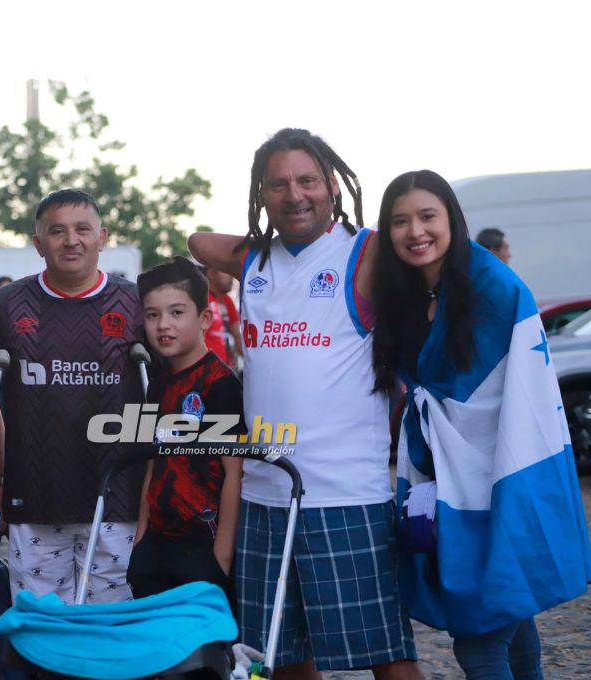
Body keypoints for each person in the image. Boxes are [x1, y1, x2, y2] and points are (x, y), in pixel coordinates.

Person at [188, 128, 420, 679]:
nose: (295, 195)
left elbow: (438, 253)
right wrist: (252, 248)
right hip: (264, 495)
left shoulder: (364, 253)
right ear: (260, 194)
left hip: (344, 497)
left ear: (334, 185)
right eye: (278, 184)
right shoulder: (256, 261)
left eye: (308, 180)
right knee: (280, 661)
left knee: (388, 660)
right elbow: (200, 242)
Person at [372, 170, 591, 679]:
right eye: (399, 221)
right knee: (509, 616)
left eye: (427, 216)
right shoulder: (404, 292)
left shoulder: (491, 283)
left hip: (501, 473)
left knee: (479, 635)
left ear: (452, 218)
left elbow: (511, 396)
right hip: (447, 475)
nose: (415, 231)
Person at [0, 188, 144, 603]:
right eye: (56, 231)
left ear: (103, 237)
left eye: (82, 229)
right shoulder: (7, 304)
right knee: (43, 634)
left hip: (119, 503)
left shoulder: (134, 302)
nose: (71, 240)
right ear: (39, 244)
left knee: (110, 632)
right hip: (35, 501)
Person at [126, 257, 244, 609]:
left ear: (204, 318)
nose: (164, 325)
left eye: (177, 313)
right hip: (155, 548)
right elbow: (152, 465)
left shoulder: (221, 384)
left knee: (202, 659)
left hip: (203, 552)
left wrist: (221, 559)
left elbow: (234, 474)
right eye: (152, 315)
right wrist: (140, 540)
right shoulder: (157, 385)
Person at [203, 266, 241, 366]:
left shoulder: (227, 301)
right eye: (226, 272)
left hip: (225, 371)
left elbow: (239, 341)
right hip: (204, 371)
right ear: (211, 273)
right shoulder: (200, 299)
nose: (231, 276)